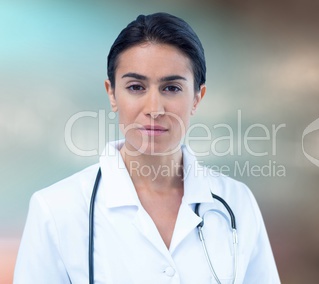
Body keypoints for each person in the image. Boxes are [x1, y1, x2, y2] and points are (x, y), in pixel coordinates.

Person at [14, 12, 281, 284]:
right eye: (136, 87)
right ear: (112, 93)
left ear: (197, 98)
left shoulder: (236, 203)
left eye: (172, 88)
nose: (154, 109)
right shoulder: (56, 209)